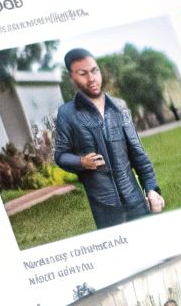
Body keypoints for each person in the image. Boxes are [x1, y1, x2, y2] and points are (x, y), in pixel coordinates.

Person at [53, 48, 165, 230]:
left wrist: (151, 189)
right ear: (71, 77)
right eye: (83, 73)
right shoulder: (66, 113)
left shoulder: (119, 107)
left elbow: (138, 154)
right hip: (105, 209)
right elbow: (60, 155)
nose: (91, 78)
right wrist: (81, 162)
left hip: (136, 201)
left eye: (94, 71)